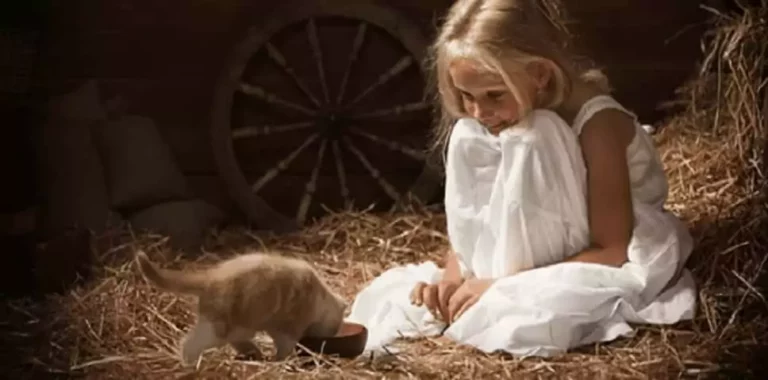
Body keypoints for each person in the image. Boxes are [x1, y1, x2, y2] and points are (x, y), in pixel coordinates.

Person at [346, 0, 696, 357]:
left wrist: (500, 287)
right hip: (528, 249)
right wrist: (453, 278)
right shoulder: (497, 117)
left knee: (537, 134)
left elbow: (611, 250)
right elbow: (488, 211)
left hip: (595, 248)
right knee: (466, 135)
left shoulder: (596, 124)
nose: (480, 111)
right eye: (466, 96)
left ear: (540, 75)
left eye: (494, 95)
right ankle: (474, 286)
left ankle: (492, 286)